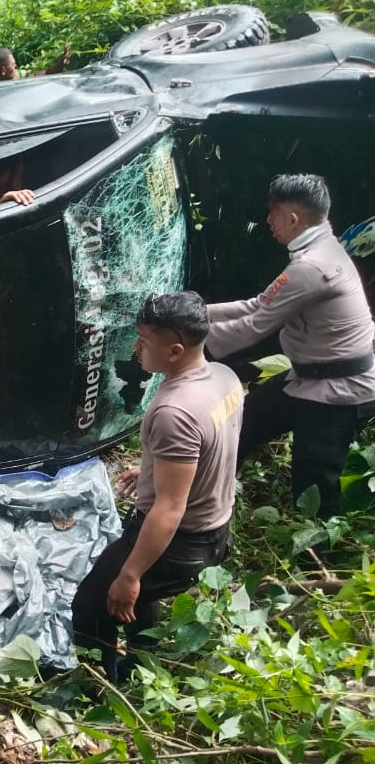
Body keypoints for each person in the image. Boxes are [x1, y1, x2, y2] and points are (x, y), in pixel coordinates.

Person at [72, 291, 243, 683]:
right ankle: (138, 665)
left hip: (180, 541)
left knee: (95, 602)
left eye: (145, 340)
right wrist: (150, 467)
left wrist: (129, 576)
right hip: (217, 531)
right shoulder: (224, 377)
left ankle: (99, 687)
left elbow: (169, 510)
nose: (137, 348)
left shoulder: (175, 412)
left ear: (174, 351)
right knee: (137, 599)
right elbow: (213, 447)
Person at [204, 174, 375, 518]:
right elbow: (260, 304)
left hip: (338, 392)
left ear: (292, 218)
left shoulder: (313, 266)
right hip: (306, 375)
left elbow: (255, 323)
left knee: (313, 493)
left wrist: (193, 343)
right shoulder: (320, 250)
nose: (268, 221)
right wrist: (195, 312)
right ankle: (209, 501)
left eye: (273, 212)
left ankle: (315, 564)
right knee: (242, 425)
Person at [0, 43, 72, 82]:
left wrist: (59, 65)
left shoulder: (19, 75)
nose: (16, 69)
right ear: (3, 71)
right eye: (14, 66)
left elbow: (46, 73)